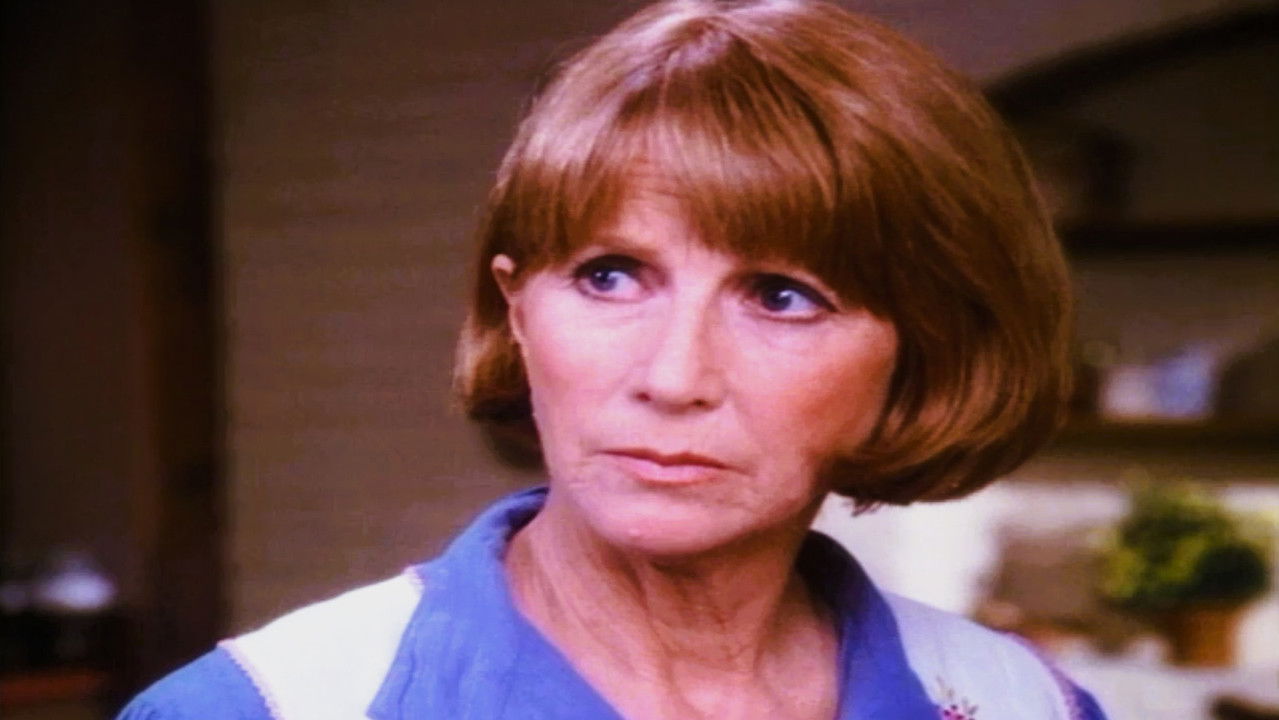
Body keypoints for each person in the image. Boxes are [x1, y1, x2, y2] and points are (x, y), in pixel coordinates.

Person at [120, 1, 1107, 718]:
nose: (672, 378)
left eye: (780, 296)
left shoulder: (1024, 705)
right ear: (516, 309)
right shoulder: (267, 708)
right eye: (610, 277)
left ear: (924, 351)